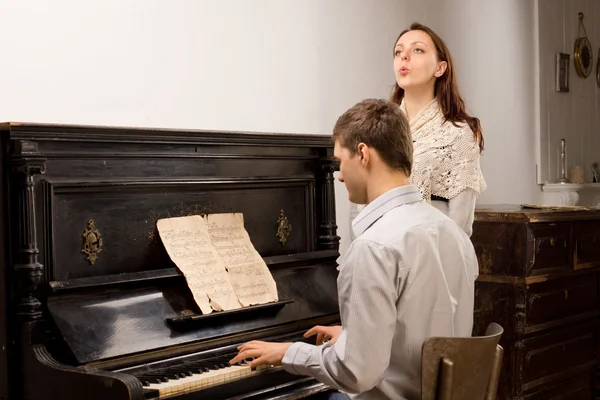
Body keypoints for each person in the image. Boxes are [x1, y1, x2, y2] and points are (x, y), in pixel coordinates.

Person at [229, 99, 479, 400]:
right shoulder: (453, 234)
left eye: (339, 162)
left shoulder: (373, 248)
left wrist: (289, 353)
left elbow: (356, 374)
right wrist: (353, 338)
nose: (341, 175)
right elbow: (425, 338)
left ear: (363, 154)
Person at [350, 23, 486, 238]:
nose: (404, 57)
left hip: (430, 257)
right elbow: (358, 204)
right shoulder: (374, 128)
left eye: (418, 50)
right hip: (374, 251)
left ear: (440, 68)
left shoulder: (459, 133)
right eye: (398, 52)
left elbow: (460, 224)